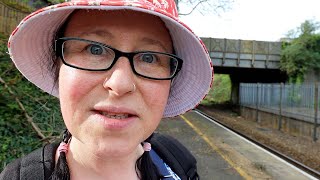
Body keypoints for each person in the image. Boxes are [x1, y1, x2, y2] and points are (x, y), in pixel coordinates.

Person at [0, 0, 213, 179]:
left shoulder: (177, 161)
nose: (119, 84)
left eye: (149, 58)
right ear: (58, 67)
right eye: (94, 49)